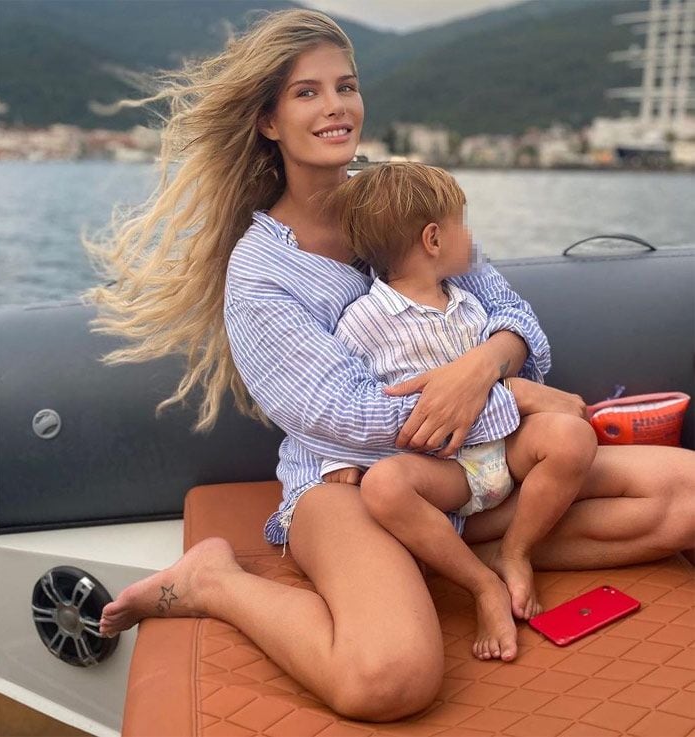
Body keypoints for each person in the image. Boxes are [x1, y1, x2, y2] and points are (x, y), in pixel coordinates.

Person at [90, 9, 695, 723]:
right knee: (388, 678)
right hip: (346, 482)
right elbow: (348, 416)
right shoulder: (261, 274)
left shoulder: (404, 202)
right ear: (268, 121)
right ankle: (215, 581)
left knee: (686, 495)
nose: (336, 106)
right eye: (308, 92)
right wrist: (519, 399)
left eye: (345, 86)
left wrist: (485, 365)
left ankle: (461, 553)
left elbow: (515, 319)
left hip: (470, 465)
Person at [317, 162, 597, 661]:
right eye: (462, 226)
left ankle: (515, 553)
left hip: (502, 451)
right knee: (384, 485)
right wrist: (337, 461)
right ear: (433, 239)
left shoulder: (468, 303)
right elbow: (349, 399)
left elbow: (506, 360)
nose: (471, 238)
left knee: (573, 437)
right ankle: (480, 585)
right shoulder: (362, 322)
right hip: (448, 473)